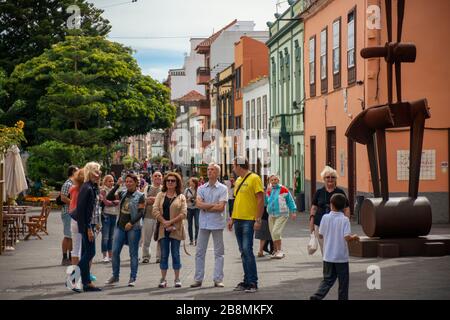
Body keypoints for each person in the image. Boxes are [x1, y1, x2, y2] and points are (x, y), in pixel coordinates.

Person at [310, 194, 359, 300]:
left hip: (328, 256)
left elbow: (321, 235)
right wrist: (354, 237)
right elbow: (347, 237)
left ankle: (317, 296)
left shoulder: (325, 217)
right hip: (341, 257)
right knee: (343, 282)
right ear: (343, 207)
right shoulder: (345, 220)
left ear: (331, 205)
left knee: (327, 280)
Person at [228, 157, 264, 293]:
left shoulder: (254, 178)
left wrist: (258, 219)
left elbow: (261, 199)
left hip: (249, 220)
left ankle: (253, 282)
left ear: (239, 166)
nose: (232, 168)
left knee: (247, 250)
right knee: (243, 251)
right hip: (237, 219)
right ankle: (246, 280)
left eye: (233, 165)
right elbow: (237, 200)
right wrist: (232, 218)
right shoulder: (237, 180)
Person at [190, 163, 228, 288]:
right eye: (208, 170)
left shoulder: (223, 188)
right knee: (200, 252)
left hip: (217, 223)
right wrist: (212, 205)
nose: (209, 172)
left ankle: (218, 279)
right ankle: (198, 279)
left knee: (219, 253)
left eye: (212, 170)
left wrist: (206, 206)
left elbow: (221, 207)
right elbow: (199, 205)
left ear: (217, 173)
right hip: (204, 223)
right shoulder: (201, 188)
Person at [105, 173, 145, 287]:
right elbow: (109, 197)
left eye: (130, 181)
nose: (128, 183)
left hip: (134, 228)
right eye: (126, 181)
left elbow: (141, 212)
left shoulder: (140, 195)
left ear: (136, 183)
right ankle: (115, 276)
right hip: (120, 226)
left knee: (133, 253)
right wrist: (117, 185)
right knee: (115, 251)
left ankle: (132, 277)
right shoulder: (122, 193)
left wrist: (131, 223)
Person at [152, 172, 187, 288]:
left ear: (177, 183)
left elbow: (184, 213)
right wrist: (164, 222)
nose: (170, 182)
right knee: (164, 255)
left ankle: (177, 279)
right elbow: (155, 210)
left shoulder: (181, 197)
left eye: (173, 181)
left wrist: (170, 222)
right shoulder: (160, 195)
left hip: (176, 229)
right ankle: (163, 279)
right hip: (163, 229)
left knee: (176, 254)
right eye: (168, 181)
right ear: (165, 182)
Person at [72, 162, 102, 292]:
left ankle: (86, 283)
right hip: (86, 225)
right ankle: (73, 278)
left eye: (99, 171)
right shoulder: (87, 187)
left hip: (91, 225)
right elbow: (82, 211)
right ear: (90, 172)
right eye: (97, 171)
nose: (99, 173)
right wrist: (88, 228)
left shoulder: (93, 187)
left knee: (86, 252)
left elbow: (94, 209)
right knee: (91, 252)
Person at [310, 166, 350, 254]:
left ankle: (333, 261)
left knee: (336, 245)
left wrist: (346, 221)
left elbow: (346, 208)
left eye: (333, 177)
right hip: (320, 223)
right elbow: (313, 208)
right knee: (324, 247)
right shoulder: (319, 192)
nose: (330, 179)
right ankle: (327, 263)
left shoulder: (340, 192)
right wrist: (311, 223)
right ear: (324, 179)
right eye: (327, 177)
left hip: (337, 224)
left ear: (336, 179)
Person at [266, 174, 297, 259]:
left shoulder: (283, 189)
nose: (274, 181)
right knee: (273, 234)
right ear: (269, 181)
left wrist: (293, 211)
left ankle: (279, 251)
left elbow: (290, 200)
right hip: (271, 215)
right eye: (272, 180)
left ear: (278, 180)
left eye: (275, 179)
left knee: (276, 232)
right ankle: (276, 251)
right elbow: (266, 202)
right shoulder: (269, 190)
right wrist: (266, 193)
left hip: (282, 214)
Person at [141, 171, 163, 264]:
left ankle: (159, 257)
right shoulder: (147, 187)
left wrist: (153, 199)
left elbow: (163, 201)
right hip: (148, 216)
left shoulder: (164, 189)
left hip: (160, 217)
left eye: (159, 175)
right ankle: (146, 256)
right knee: (146, 238)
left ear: (162, 177)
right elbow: (145, 200)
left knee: (160, 238)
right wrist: (156, 200)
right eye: (155, 176)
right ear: (152, 177)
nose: (157, 177)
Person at [60, 165, 78, 266]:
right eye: (77, 171)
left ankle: (70, 257)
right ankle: (64, 257)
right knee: (67, 235)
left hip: (72, 212)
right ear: (72, 172)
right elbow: (63, 198)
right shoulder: (68, 184)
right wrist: (73, 203)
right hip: (67, 212)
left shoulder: (74, 183)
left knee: (70, 236)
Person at [100, 175, 120, 263]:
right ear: (105, 182)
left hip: (114, 214)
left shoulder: (116, 191)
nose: (111, 182)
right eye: (109, 181)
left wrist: (113, 202)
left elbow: (118, 201)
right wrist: (113, 203)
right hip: (106, 215)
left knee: (112, 237)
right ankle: (104, 255)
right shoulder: (103, 190)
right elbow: (105, 202)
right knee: (105, 236)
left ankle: (110, 255)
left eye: (112, 181)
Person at [69, 168, 84, 266]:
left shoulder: (73, 188)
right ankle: (85, 274)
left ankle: (74, 275)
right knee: (85, 249)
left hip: (73, 218)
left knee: (75, 248)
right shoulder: (85, 189)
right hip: (81, 218)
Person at [184, 177, 200, 246]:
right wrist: (188, 199)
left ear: (194, 183)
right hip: (189, 209)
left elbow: (202, 199)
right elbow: (183, 200)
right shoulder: (187, 190)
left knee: (197, 224)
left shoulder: (199, 190)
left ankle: (197, 239)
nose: (189, 182)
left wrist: (197, 200)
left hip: (197, 209)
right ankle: (191, 240)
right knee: (189, 225)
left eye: (190, 181)